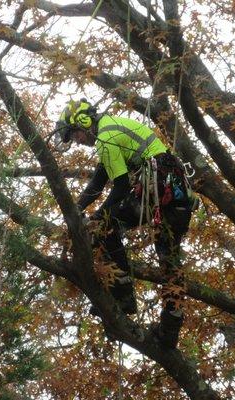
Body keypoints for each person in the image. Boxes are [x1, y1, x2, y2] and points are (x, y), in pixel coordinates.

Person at [54, 99, 192, 348]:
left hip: (158, 186)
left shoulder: (106, 138)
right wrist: (74, 209)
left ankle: (123, 295)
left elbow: (120, 187)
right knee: (170, 263)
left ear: (83, 123)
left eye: (74, 135)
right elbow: (98, 182)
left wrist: (96, 218)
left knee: (104, 227)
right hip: (177, 193)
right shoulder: (111, 128)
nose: (77, 141)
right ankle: (170, 331)